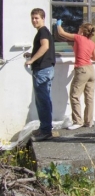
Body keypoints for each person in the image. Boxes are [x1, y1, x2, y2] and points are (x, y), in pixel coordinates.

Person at [56, 20, 95, 129]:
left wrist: (58, 24)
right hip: (91, 70)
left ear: (82, 31)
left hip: (82, 69)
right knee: (89, 98)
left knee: (74, 96)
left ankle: (78, 121)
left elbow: (61, 33)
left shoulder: (78, 38)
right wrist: (85, 54)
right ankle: (89, 122)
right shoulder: (92, 43)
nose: (77, 30)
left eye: (79, 28)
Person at [24, 8, 56, 141]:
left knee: (43, 101)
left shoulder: (43, 31)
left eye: (36, 18)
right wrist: (31, 55)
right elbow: (43, 49)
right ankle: (45, 127)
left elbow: (45, 47)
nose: (34, 20)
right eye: (32, 18)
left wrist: (31, 60)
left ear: (43, 18)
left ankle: (46, 131)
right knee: (44, 100)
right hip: (45, 69)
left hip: (42, 70)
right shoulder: (43, 32)